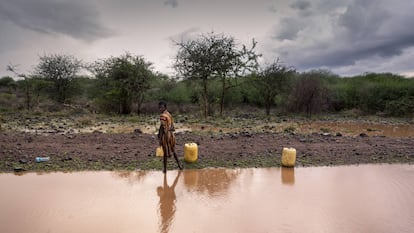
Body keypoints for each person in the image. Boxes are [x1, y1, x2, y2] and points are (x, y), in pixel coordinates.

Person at [158, 101, 183, 173]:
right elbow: (172, 127)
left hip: (165, 136)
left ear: (165, 107)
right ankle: (179, 165)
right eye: (159, 107)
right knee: (173, 150)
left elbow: (162, 127)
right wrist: (170, 130)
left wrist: (160, 138)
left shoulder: (162, 116)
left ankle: (165, 169)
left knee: (165, 153)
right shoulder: (169, 114)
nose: (160, 109)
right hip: (171, 135)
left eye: (161, 107)